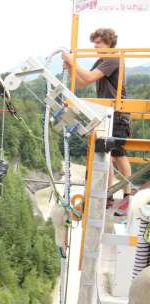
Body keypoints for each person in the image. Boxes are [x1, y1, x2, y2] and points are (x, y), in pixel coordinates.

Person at [62, 27, 132, 216]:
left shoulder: (113, 58)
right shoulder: (102, 60)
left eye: (98, 43)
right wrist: (71, 68)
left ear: (109, 42)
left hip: (118, 112)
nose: (95, 46)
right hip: (106, 112)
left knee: (118, 154)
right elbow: (82, 82)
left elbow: (89, 76)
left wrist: (72, 61)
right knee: (106, 155)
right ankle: (108, 196)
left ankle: (128, 196)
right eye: (94, 43)